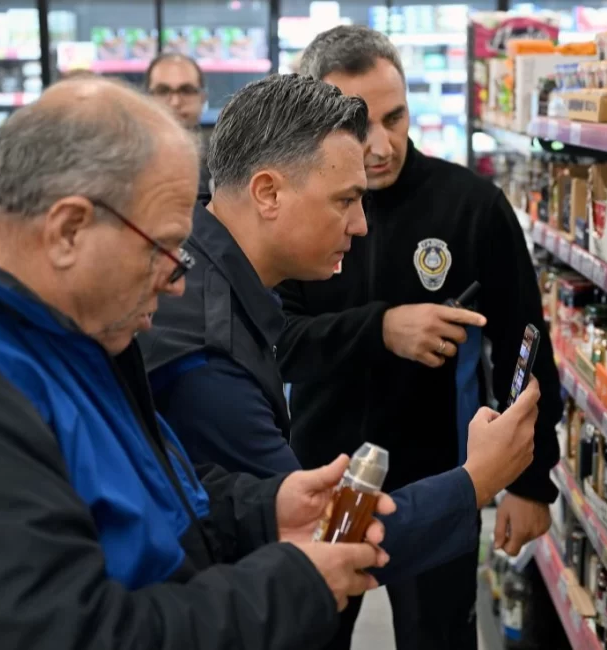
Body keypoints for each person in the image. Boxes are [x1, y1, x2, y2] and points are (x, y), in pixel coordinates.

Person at [0, 76, 392, 649]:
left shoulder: (54, 330)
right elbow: (68, 635)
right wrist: (288, 585)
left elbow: (127, 494)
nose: (177, 281)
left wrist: (262, 511)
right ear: (69, 229)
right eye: (163, 249)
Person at [138, 74, 539, 590]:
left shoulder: (203, 269)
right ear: (268, 193)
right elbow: (326, 538)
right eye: (345, 200)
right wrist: (477, 479)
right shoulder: (210, 357)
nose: (361, 225)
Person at [279, 26, 563, 649]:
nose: (380, 145)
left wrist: (531, 479)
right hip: (317, 486)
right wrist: (382, 328)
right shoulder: (294, 210)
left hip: (441, 484)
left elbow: (526, 344)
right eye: (358, 124)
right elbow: (278, 342)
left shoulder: (473, 207)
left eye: (395, 116)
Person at [145, 52, 212, 202]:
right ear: (147, 98)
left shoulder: (225, 167)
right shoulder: (125, 165)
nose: (175, 102)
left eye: (186, 90)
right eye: (163, 91)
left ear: (202, 98)